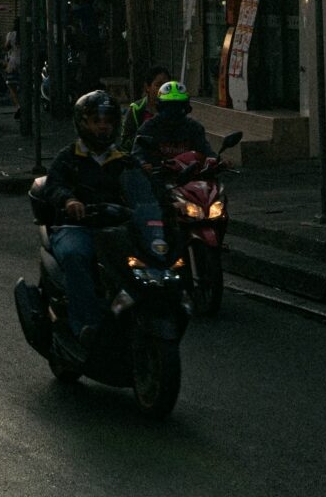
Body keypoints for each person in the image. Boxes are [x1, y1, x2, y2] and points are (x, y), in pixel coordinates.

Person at [29, 90, 136, 359]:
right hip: (76, 228)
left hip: (115, 230)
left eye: (108, 120)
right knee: (77, 255)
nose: (103, 126)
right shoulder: (68, 157)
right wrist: (69, 201)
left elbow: (143, 188)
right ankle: (85, 325)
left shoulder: (124, 161)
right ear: (83, 123)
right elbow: (54, 186)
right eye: (96, 120)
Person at [133, 79, 210, 168]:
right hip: (157, 178)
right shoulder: (149, 127)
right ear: (160, 107)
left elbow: (206, 152)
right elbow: (137, 154)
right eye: (169, 108)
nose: (173, 113)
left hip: (189, 177)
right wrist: (143, 164)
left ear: (186, 108)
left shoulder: (194, 128)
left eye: (178, 107)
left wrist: (217, 161)